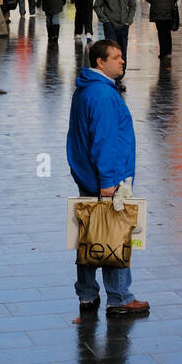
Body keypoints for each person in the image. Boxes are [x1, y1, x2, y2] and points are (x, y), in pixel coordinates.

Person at [66, 38, 149, 317]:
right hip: (107, 178)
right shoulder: (101, 95)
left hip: (88, 174)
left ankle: (87, 294)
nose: (122, 61)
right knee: (115, 233)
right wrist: (109, 182)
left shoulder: (88, 89)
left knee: (91, 234)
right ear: (100, 62)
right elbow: (104, 141)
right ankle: (120, 297)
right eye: (116, 57)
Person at [93, 0, 136, 91]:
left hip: (123, 25)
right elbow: (97, 5)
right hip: (110, 25)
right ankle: (113, 79)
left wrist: (129, 20)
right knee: (112, 52)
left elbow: (132, 5)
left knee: (122, 51)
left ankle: (119, 78)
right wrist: (105, 20)